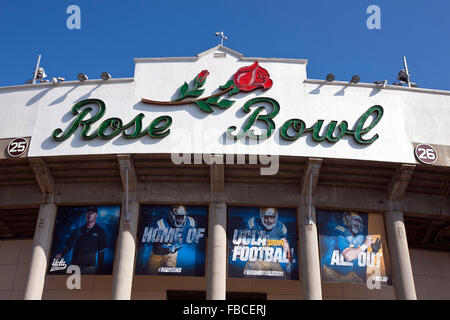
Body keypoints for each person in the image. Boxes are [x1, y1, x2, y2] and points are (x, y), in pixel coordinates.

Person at [322, 211, 378, 283]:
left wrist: (374, 252)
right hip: (332, 272)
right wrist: (365, 245)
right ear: (347, 220)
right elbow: (348, 256)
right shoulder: (340, 231)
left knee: (361, 284)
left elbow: (360, 259)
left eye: (359, 221)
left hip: (347, 274)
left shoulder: (358, 237)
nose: (357, 223)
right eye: (355, 220)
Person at [243, 207, 293, 279]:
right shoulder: (253, 223)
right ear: (261, 216)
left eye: (272, 217)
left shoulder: (281, 227)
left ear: (276, 217)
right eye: (266, 217)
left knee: (283, 280)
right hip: (255, 259)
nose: (269, 220)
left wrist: (288, 261)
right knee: (248, 279)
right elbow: (244, 238)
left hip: (272, 260)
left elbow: (285, 244)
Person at [55, 206, 107, 274]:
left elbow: (101, 251)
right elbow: (69, 245)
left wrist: (101, 269)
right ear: (86, 215)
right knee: (71, 284)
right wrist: (61, 254)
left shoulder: (100, 232)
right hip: (75, 266)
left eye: (92, 213)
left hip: (89, 268)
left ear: (96, 215)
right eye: (88, 213)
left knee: (88, 284)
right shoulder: (78, 231)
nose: (90, 215)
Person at [147, 205, 196, 274]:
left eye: (182, 216)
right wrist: (170, 249)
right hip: (162, 250)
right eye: (178, 216)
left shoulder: (190, 222)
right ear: (171, 215)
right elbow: (156, 250)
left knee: (170, 272)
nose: (180, 219)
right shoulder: (162, 224)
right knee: (151, 273)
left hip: (172, 251)